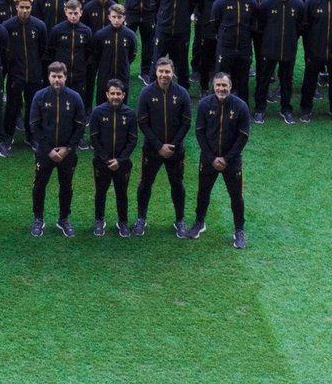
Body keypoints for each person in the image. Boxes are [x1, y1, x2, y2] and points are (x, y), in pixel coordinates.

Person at [188, 70, 251, 248]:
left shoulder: (241, 106)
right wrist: (211, 157)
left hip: (232, 161)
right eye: (218, 85)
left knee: (236, 197)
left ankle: (239, 230)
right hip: (208, 159)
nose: (221, 88)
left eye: (224, 85)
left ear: (230, 86)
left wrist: (226, 159)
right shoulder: (204, 105)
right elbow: (199, 132)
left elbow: (243, 136)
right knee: (203, 192)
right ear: (213, 86)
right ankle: (199, 223)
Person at [28, 61, 85, 238]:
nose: (57, 80)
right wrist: (49, 150)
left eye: (60, 76)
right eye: (54, 76)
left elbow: (80, 126)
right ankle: (38, 219)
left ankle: (63, 219)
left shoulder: (75, 98)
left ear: (65, 77)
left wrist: (67, 148)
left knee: (66, 186)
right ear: (49, 77)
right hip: (45, 152)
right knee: (39, 186)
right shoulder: (40, 96)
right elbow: (34, 125)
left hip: (67, 154)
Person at [135, 56, 191, 237]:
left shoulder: (182, 93)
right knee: (145, 183)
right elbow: (142, 122)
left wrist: (172, 146)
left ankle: (179, 220)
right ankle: (141, 218)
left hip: (175, 151)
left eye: (167, 71)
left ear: (173, 72)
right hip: (152, 150)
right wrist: (159, 146)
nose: (164, 75)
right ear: (156, 72)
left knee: (177, 184)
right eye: (161, 71)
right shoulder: (146, 93)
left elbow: (186, 122)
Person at [88, 78, 139, 238]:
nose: (115, 96)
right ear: (107, 94)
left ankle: (122, 222)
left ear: (123, 95)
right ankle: (99, 220)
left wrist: (120, 160)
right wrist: (106, 159)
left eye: (118, 93)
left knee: (121, 192)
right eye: (112, 93)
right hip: (101, 162)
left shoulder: (130, 114)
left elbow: (133, 140)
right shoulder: (97, 112)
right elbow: (94, 138)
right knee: (100, 192)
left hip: (122, 163)